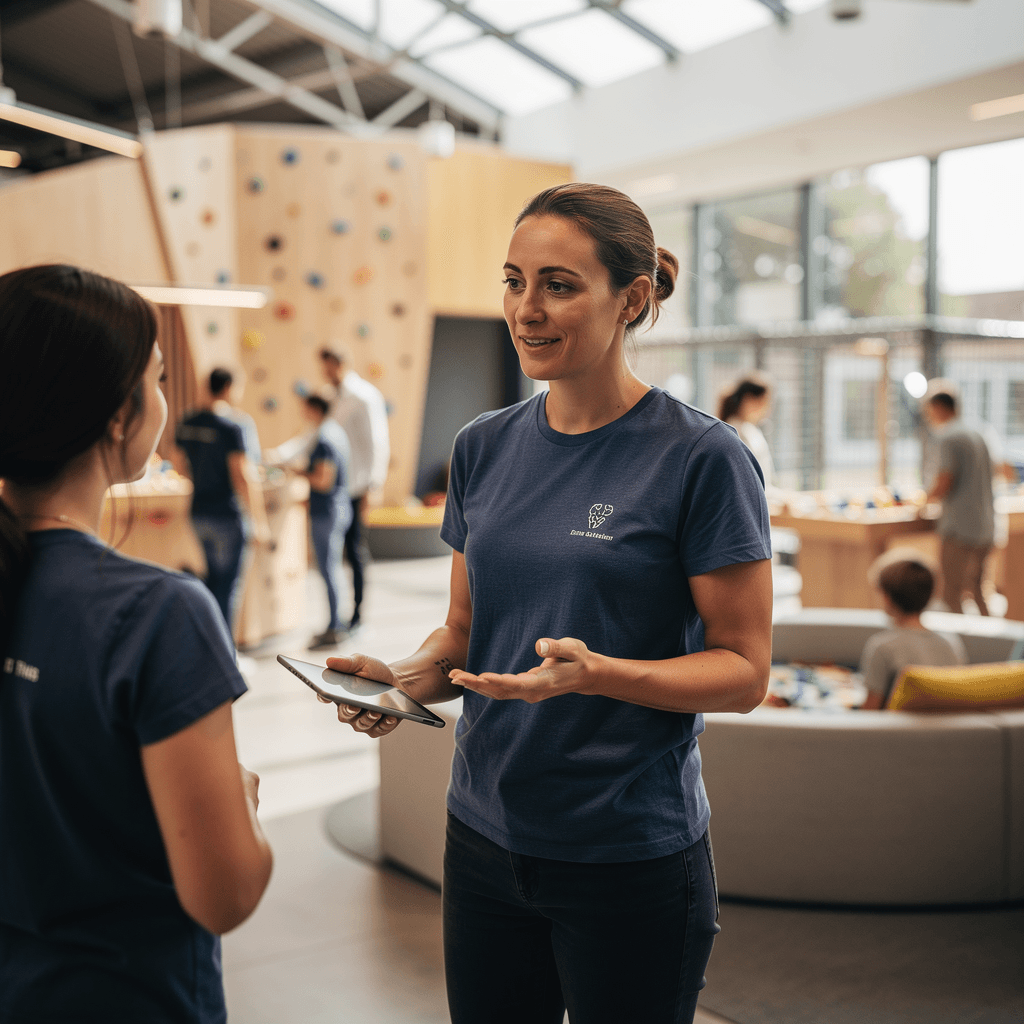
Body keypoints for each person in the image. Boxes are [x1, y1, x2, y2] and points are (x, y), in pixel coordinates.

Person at [320, 183, 773, 1024]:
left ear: (631, 298)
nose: (527, 309)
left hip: (628, 853)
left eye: (559, 284)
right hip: (484, 837)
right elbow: (463, 633)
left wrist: (599, 674)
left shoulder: (702, 458)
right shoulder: (482, 447)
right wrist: (401, 678)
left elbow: (745, 671)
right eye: (514, 280)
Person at [0, 264, 272, 1021]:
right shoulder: (161, 615)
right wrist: (241, 805)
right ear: (121, 415)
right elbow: (226, 894)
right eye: (156, 379)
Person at [174, 367, 270, 632]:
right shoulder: (235, 424)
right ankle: (224, 654)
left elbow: (179, 465)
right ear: (228, 387)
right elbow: (243, 475)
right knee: (227, 588)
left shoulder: (188, 421)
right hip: (227, 514)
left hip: (198, 511)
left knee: (212, 581)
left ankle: (206, 648)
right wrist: (259, 522)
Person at [319, 347, 390, 630]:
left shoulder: (364, 395)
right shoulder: (329, 395)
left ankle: (358, 612)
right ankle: (337, 614)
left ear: (341, 363)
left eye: (329, 367)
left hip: (358, 485)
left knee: (355, 550)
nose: (326, 373)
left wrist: (374, 484)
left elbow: (377, 441)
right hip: (335, 487)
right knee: (336, 552)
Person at [920, 381, 995, 615]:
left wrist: (924, 501)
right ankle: (994, 648)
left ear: (938, 408)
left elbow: (944, 480)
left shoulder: (948, 437)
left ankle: (959, 649)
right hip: (985, 526)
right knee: (978, 591)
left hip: (960, 529)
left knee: (951, 594)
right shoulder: (977, 434)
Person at [858, 549, 967, 709]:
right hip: (944, 730)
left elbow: (870, 710)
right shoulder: (951, 644)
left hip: (897, 732)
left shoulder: (882, 647)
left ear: (887, 598)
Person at [299, 394, 353, 649]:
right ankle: (335, 623)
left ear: (314, 409)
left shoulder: (324, 438)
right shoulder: (336, 433)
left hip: (327, 511)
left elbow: (323, 480)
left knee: (329, 569)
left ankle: (334, 626)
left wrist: (298, 472)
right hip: (338, 507)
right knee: (332, 568)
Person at [717, 373, 773, 488]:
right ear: (749, 400)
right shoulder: (739, 432)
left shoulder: (746, 429)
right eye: (765, 402)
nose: (768, 408)